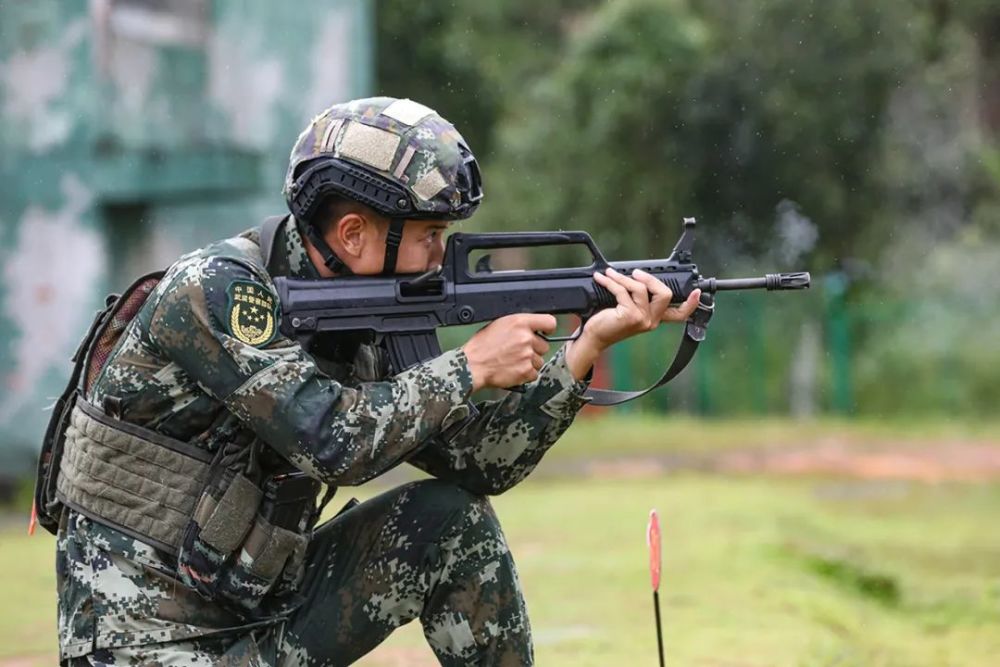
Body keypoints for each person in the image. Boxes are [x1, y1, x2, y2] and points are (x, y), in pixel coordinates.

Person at [48, 97, 701, 666]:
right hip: (147, 642)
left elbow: (479, 463)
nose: (440, 257)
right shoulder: (217, 291)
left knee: (449, 521)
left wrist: (586, 346)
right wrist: (471, 364)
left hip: (265, 615)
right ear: (354, 233)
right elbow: (329, 438)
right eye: (429, 235)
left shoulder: (367, 309)